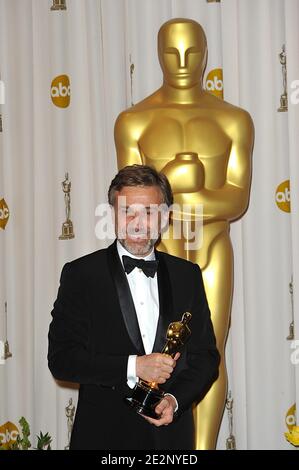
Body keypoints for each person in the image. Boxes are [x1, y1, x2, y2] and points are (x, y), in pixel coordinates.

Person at [114, 19, 254, 449]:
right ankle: (154, 443)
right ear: (158, 54)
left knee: (211, 354)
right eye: (172, 52)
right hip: (162, 251)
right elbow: (129, 198)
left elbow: (237, 199)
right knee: (155, 357)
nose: (181, 62)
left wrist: (181, 194)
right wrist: (177, 182)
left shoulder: (233, 119)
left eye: (192, 52)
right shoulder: (134, 121)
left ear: (206, 53)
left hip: (213, 246)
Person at [48, 164, 220, 450]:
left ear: (165, 217)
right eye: (128, 211)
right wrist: (134, 366)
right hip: (102, 438)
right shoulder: (81, 275)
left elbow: (205, 357)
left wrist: (173, 401)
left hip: (170, 441)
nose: (139, 223)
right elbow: (62, 358)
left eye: (150, 212)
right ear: (112, 214)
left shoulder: (187, 275)